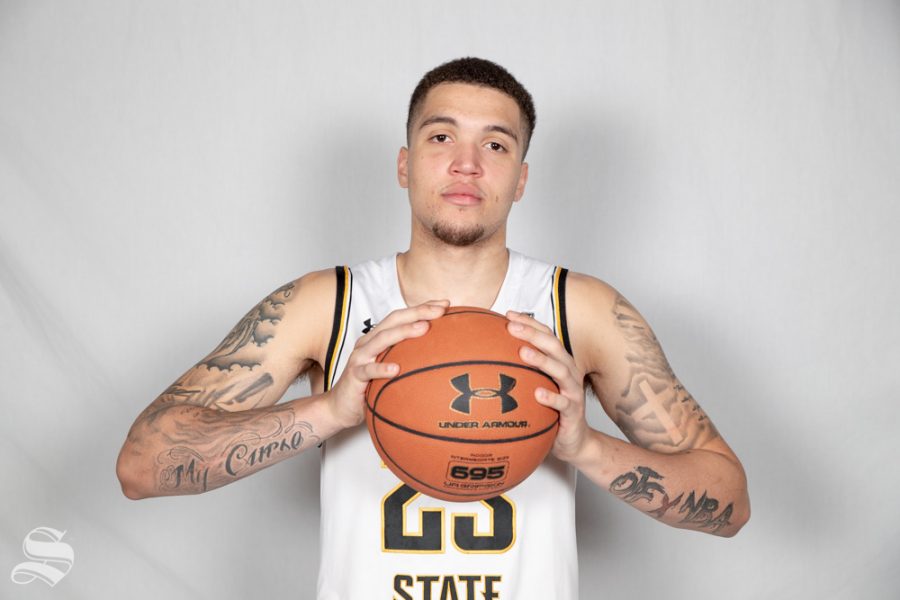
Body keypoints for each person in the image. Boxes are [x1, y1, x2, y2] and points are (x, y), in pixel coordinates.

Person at [117, 57, 749, 599]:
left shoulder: (581, 310)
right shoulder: (326, 304)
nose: (468, 164)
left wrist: (585, 447)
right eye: (441, 138)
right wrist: (333, 411)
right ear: (404, 163)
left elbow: (729, 501)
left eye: (496, 144)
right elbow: (141, 466)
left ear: (521, 178)